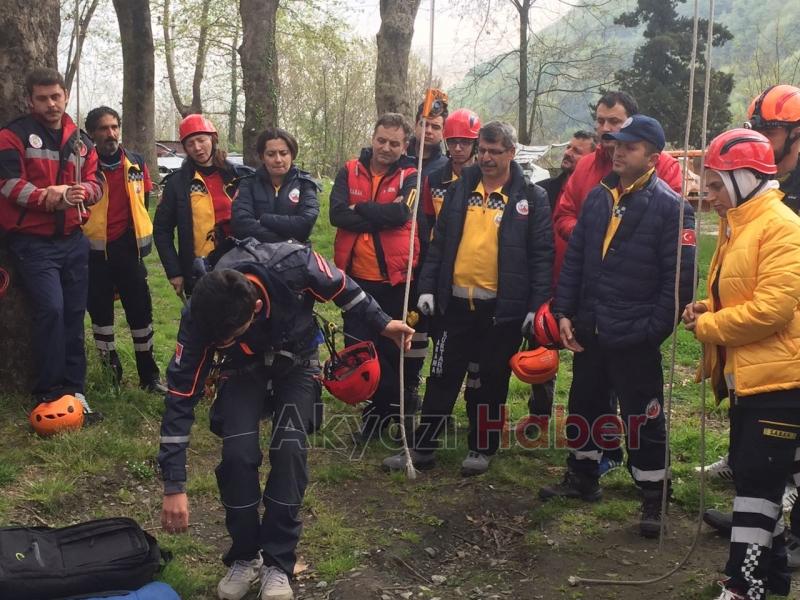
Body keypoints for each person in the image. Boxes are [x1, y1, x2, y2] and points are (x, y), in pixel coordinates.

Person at [158, 238, 414, 600]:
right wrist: (174, 484)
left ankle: (279, 563)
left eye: (228, 338)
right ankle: (245, 556)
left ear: (256, 307)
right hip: (242, 369)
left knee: (290, 448)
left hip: (297, 359)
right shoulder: (202, 314)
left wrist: (384, 323)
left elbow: (345, 288)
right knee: (237, 455)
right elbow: (181, 394)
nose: (219, 344)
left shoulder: (297, 264)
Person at [537, 115, 695, 539]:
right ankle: (583, 475)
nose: (618, 150)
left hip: (635, 335)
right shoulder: (597, 198)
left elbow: (678, 282)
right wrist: (565, 312)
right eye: (616, 143)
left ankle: (653, 496)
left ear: (653, 157)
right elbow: (575, 261)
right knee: (584, 405)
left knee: (643, 418)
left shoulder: (674, 209)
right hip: (590, 328)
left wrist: (650, 331)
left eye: (630, 145)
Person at [382, 121, 554, 476]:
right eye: (483, 151)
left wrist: (535, 307)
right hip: (455, 304)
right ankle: (422, 447)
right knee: (442, 375)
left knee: (491, 381)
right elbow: (439, 242)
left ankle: (482, 447)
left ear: (511, 153)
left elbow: (542, 255)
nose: (487, 158)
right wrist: (428, 288)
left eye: (495, 151)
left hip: (501, 311)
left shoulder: (532, 198)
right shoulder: (462, 188)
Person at [683, 128, 800, 600]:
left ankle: (744, 585)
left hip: (781, 382)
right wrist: (707, 309)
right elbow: (743, 294)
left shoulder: (780, 227)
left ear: (747, 178)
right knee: (758, 478)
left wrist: (709, 328)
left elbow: (774, 309)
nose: (707, 195)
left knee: (756, 488)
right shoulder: (742, 223)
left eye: (715, 185)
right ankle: (772, 580)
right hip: (750, 379)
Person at [0, 68, 103, 418]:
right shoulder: (13, 135)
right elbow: (8, 183)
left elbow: (96, 182)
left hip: (74, 240)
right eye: (42, 98)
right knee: (52, 311)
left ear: (66, 96)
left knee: (74, 316)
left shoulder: (81, 141)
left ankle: (75, 392)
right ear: (31, 100)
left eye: (55, 96)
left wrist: (82, 192)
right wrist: (49, 197)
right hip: (33, 243)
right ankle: (48, 392)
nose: (50, 104)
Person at [329, 113, 427, 441]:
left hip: (395, 280)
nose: (386, 148)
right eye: (381, 140)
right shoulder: (349, 170)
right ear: (372, 138)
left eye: (394, 143)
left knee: (391, 350)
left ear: (405, 146)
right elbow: (336, 214)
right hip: (355, 278)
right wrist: (380, 215)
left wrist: (361, 210)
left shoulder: (413, 174)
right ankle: (373, 410)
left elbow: (402, 213)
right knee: (358, 347)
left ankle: (390, 413)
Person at [82, 106, 165, 393]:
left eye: (114, 127)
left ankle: (149, 376)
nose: (111, 133)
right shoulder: (85, 167)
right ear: (92, 133)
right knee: (102, 317)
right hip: (95, 253)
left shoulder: (136, 162)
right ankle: (111, 376)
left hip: (128, 249)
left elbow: (144, 203)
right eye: (104, 129)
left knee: (141, 314)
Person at [524, 130, 598, 432]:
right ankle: (539, 414)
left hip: (583, 289)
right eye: (568, 147)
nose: (568, 153)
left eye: (577, 151)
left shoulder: (596, 193)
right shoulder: (544, 189)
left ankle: (588, 420)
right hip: (546, 283)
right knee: (541, 351)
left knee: (588, 358)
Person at [153, 114, 253, 298]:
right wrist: (174, 271)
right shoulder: (178, 184)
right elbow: (162, 230)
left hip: (243, 263)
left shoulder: (241, 177)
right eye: (190, 144)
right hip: (200, 269)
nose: (197, 148)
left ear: (213, 139)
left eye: (201, 140)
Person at [232, 128, 319, 243]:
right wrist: (287, 240)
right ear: (262, 157)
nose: (278, 160)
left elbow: (304, 226)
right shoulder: (248, 184)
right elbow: (241, 226)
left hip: (295, 255)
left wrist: (264, 219)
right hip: (255, 254)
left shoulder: (305, 184)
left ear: (292, 155)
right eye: (271, 154)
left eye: (283, 153)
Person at [421, 107, 481, 226]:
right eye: (452, 142)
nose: (457, 148)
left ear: (476, 143)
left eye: (465, 142)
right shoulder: (434, 181)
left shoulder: (487, 180)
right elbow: (429, 220)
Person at [408, 101, 449, 178]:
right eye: (424, 124)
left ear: (442, 133)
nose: (428, 131)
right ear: (415, 126)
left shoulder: (446, 167)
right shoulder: (399, 158)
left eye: (435, 127)